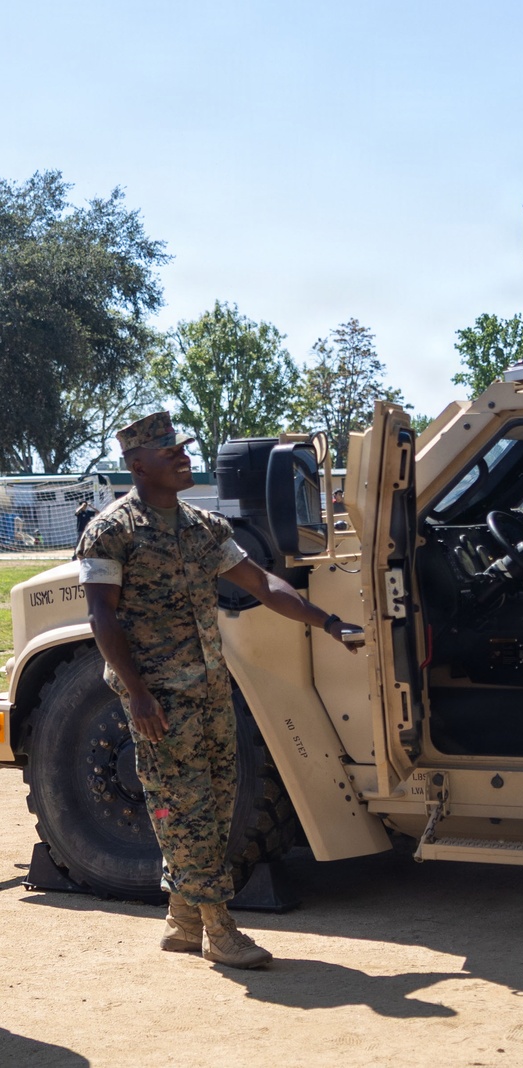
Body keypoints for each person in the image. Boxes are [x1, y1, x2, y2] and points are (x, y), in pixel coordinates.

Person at [77, 411, 363, 970]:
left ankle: (182, 921)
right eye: (168, 452)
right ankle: (220, 929)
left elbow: (263, 584)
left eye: (181, 448)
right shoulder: (111, 531)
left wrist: (329, 622)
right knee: (187, 811)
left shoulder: (201, 528)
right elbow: (101, 619)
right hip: (160, 699)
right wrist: (137, 694)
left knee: (213, 806)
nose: (183, 457)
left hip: (210, 690)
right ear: (137, 465)